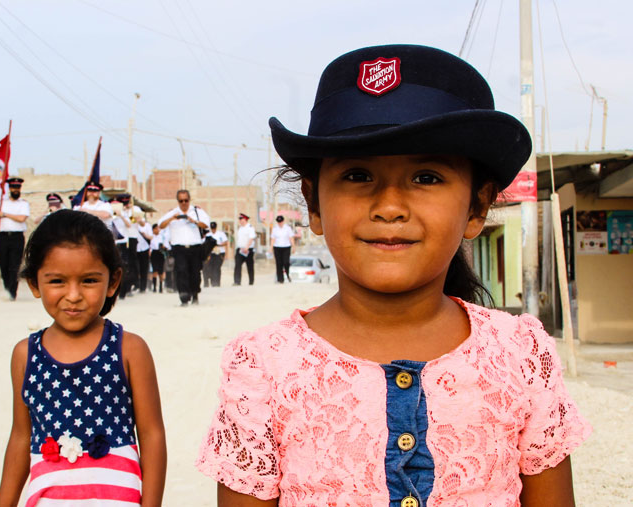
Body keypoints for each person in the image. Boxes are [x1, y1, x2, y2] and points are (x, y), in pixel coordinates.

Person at [196, 45, 590, 506]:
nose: (388, 207)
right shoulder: (263, 364)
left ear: (477, 206)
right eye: (358, 174)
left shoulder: (521, 354)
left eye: (426, 177)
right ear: (314, 204)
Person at [0, 209, 166, 507]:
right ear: (34, 284)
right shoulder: (25, 355)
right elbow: (21, 438)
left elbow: (152, 435)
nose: (73, 295)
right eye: (57, 281)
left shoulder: (129, 349)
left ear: (112, 282)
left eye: (88, 281)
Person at [157, 189, 210, 306]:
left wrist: (194, 221)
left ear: (189, 200)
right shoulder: (173, 213)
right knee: (181, 272)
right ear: (178, 201)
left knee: (195, 272)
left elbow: (206, 224)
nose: (184, 203)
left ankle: (195, 294)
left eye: (186, 200)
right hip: (179, 248)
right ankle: (184, 296)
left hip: (195, 247)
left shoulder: (196, 211)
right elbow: (160, 225)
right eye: (181, 201)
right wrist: (172, 218)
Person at [0, 177, 30, 300]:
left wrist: (5, 214)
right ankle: (7, 288)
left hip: (17, 237)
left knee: (14, 265)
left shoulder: (23, 204)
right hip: (3, 237)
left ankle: (12, 292)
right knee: (3, 264)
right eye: (13, 187)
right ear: (9, 188)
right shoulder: (1, 203)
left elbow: (21, 218)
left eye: (18, 187)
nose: (15, 189)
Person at [233, 213, 256, 286]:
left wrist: (247, 247)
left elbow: (251, 238)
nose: (240, 220)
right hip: (240, 250)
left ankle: (251, 282)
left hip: (248, 250)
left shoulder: (250, 227)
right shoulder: (240, 228)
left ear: (245, 219)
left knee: (250, 266)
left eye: (241, 219)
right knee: (237, 265)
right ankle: (237, 281)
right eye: (239, 219)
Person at [270, 215, 294, 283]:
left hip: (286, 247)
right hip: (277, 247)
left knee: (286, 262)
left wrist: (293, 246)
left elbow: (291, 238)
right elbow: (273, 239)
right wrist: (271, 248)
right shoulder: (275, 229)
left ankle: (287, 274)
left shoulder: (288, 228)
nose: (279, 223)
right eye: (278, 222)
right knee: (279, 263)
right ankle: (280, 279)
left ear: (283, 221)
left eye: (280, 221)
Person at [203, 222, 227, 288]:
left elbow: (225, 242)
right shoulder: (208, 235)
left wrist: (218, 245)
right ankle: (213, 282)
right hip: (211, 253)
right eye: (212, 228)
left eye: (214, 228)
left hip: (219, 252)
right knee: (210, 267)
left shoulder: (221, 234)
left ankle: (217, 283)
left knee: (217, 267)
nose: (213, 230)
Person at [149, 223, 167, 293]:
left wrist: (163, 247)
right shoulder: (151, 237)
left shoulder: (162, 236)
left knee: (161, 270)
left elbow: (165, 245)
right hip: (154, 253)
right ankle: (154, 287)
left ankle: (160, 287)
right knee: (154, 270)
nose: (157, 230)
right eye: (156, 228)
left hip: (160, 253)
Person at [137, 217, 154, 293]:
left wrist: (144, 234)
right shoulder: (133, 223)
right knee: (136, 268)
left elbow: (151, 237)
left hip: (144, 248)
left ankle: (143, 287)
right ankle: (136, 285)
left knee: (144, 268)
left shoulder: (147, 225)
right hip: (135, 248)